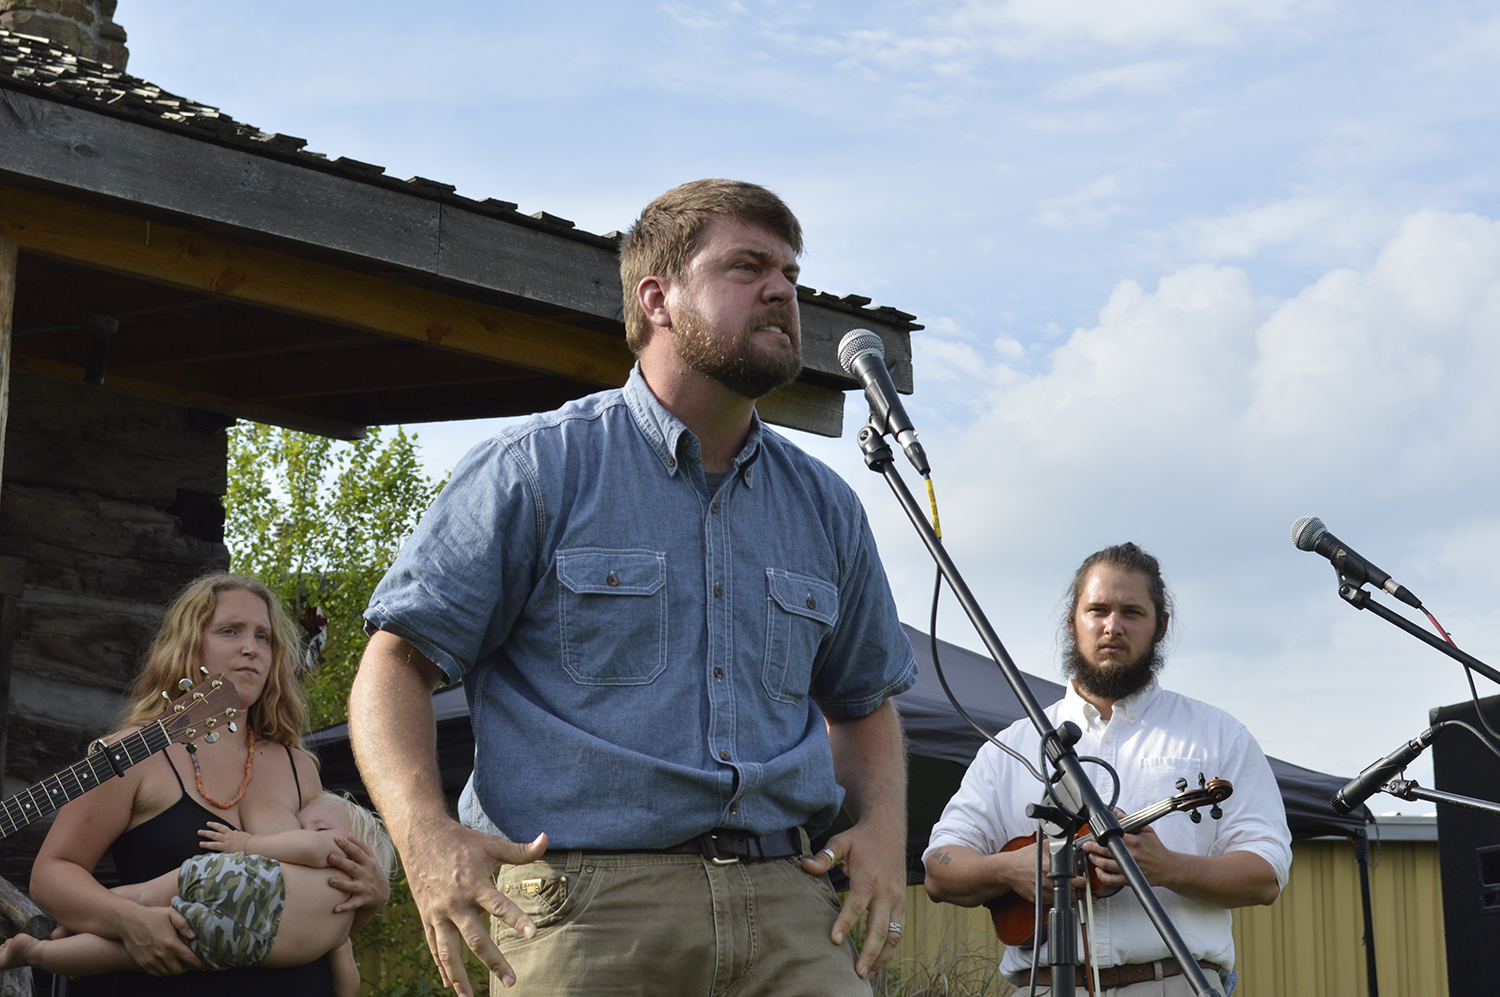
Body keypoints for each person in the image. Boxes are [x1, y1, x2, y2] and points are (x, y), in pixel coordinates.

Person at [349, 178, 917, 997]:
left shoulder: (825, 506)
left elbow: (863, 699)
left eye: (791, 272)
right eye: (747, 266)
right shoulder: (539, 470)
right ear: (657, 297)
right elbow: (393, 663)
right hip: (584, 911)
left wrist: (883, 828)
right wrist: (423, 836)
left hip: (792, 906)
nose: (783, 290)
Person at [923, 543, 1292, 995]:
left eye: (1132, 612)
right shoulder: (1012, 746)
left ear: (1161, 627)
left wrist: (1169, 867)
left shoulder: (1219, 735)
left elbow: (1265, 874)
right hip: (1039, 986)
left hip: (1168, 983)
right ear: (1071, 620)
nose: (1112, 627)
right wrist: (1008, 869)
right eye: (1097, 609)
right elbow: (940, 870)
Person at [29, 574, 392, 997]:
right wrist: (125, 921)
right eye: (230, 631)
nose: (251, 648)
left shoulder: (297, 766)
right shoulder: (134, 751)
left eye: (264, 638)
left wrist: (371, 895)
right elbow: (51, 873)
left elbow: (317, 902)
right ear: (188, 646)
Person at [4, 792, 397, 997]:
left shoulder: (332, 850)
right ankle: (37, 953)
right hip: (243, 943)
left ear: (350, 843)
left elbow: (309, 848)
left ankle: (71, 925)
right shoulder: (341, 920)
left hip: (244, 878)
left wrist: (248, 841)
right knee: (126, 957)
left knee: (141, 899)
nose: (301, 827)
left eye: (314, 824)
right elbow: (348, 987)